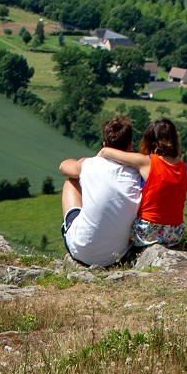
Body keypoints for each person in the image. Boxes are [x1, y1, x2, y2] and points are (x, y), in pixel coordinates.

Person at [58, 114, 142, 268]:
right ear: (130, 146)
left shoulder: (89, 164)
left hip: (79, 249)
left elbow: (63, 167)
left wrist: (81, 163)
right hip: (116, 255)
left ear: (104, 144)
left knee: (71, 182)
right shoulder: (138, 174)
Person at [98, 117, 187, 248]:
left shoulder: (147, 162)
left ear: (149, 140)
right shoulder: (182, 168)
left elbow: (106, 151)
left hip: (148, 232)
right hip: (175, 233)